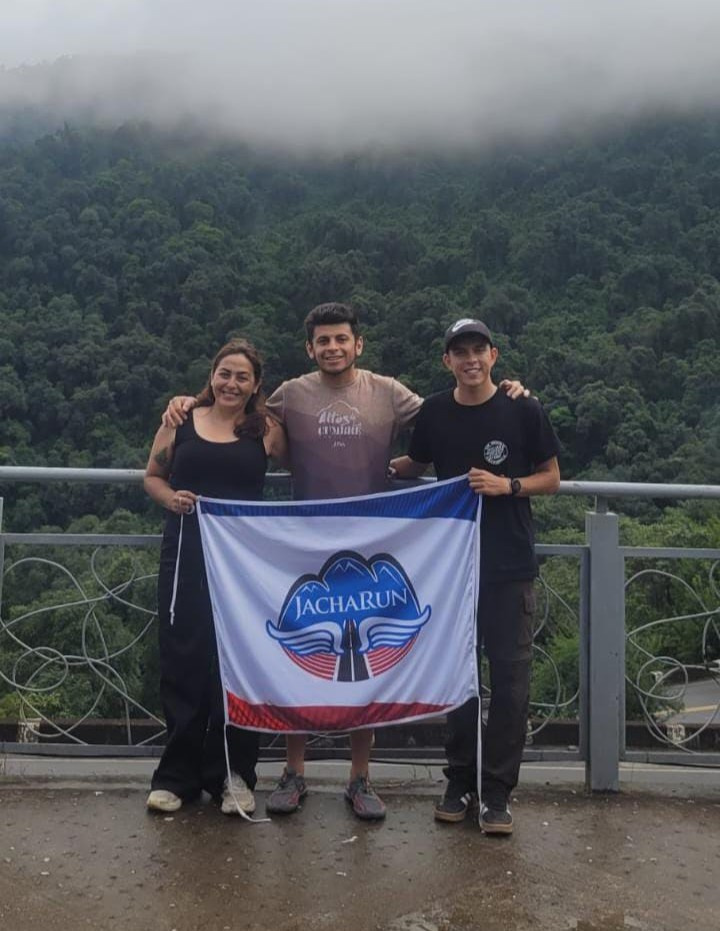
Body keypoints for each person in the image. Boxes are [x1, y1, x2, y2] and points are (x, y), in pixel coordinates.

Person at [163, 304, 528, 821]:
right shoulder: (290, 394)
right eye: (323, 341)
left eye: (341, 339)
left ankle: (360, 778)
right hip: (301, 544)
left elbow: (450, 410)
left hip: (373, 542)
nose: (332, 348)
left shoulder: (389, 392)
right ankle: (293, 773)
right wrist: (186, 402)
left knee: (364, 662)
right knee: (297, 657)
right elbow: (238, 406)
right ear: (310, 348)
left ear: (358, 344)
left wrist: (505, 390)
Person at [390, 318, 560, 835]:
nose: (470, 359)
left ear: (493, 355)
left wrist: (509, 485)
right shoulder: (435, 411)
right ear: (447, 361)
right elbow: (416, 464)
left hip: (509, 566)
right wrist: (361, 468)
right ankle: (460, 781)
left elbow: (551, 477)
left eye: (478, 350)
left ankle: (498, 792)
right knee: (459, 681)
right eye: (460, 352)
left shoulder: (523, 408)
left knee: (510, 683)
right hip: (449, 570)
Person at [144, 338, 286, 815]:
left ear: (256, 385)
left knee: (239, 664)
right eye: (225, 373)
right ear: (212, 375)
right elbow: (152, 477)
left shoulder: (266, 429)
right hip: (186, 552)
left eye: (242, 376)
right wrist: (171, 499)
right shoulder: (180, 420)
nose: (231, 383)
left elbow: (308, 463)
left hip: (245, 564)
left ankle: (234, 776)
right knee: (183, 659)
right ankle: (177, 777)